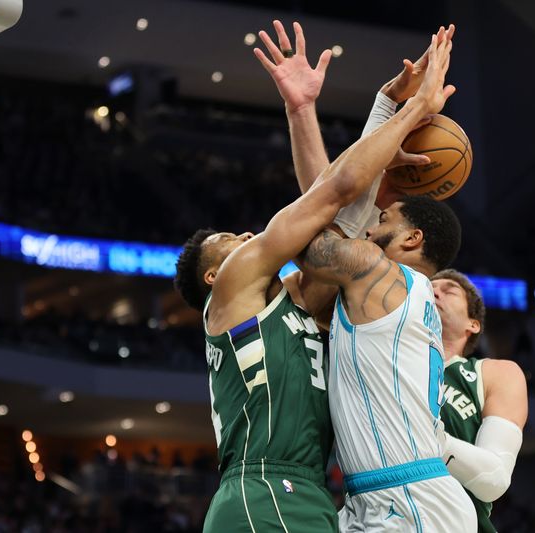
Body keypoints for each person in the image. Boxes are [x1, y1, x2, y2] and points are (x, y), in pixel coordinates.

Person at [174, 22, 455, 533]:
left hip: (310, 494)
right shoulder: (237, 288)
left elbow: (339, 223)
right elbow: (338, 190)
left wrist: (315, 110)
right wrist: (413, 109)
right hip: (262, 489)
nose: (243, 235)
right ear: (215, 276)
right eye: (229, 242)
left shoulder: (297, 302)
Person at [258, 21, 477, 531]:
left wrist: (406, 112)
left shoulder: (383, 279)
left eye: (385, 218)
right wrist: (307, 110)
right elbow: (328, 204)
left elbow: (317, 223)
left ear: (411, 240)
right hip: (380, 497)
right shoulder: (378, 286)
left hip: (412, 500)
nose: (373, 219)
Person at [432, 269, 528, 533]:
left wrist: (426, 439)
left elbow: (493, 479)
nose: (434, 292)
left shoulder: (494, 373)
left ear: (473, 324)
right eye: (428, 288)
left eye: (448, 290)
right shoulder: (392, 365)